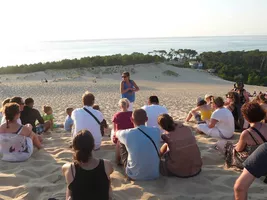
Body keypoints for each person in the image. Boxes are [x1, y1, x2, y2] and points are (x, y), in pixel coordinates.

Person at [62, 130, 114, 200]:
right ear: (93, 146)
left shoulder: (68, 168)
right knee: (108, 181)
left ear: (74, 148)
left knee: (70, 187)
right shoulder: (107, 164)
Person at [116, 109, 161, 180]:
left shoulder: (127, 133)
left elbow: (117, 133)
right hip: (154, 174)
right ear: (146, 119)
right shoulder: (156, 130)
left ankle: (118, 162)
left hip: (134, 175)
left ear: (131, 119)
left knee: (121, 142)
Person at [220, 102, 267, 169]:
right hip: (264, 159)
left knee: (222, 144)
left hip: (253, 162)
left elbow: (239, 149)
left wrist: (235, 145)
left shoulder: (247, 133)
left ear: (246, 117)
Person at [112, 98, 134, 164]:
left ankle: (118, 160)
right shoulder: (132, 114)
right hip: (130, 134)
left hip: (120, 135)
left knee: (118, 141)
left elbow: (115, 129)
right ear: (128, 106)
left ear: (120, 106)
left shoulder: (117, 115)